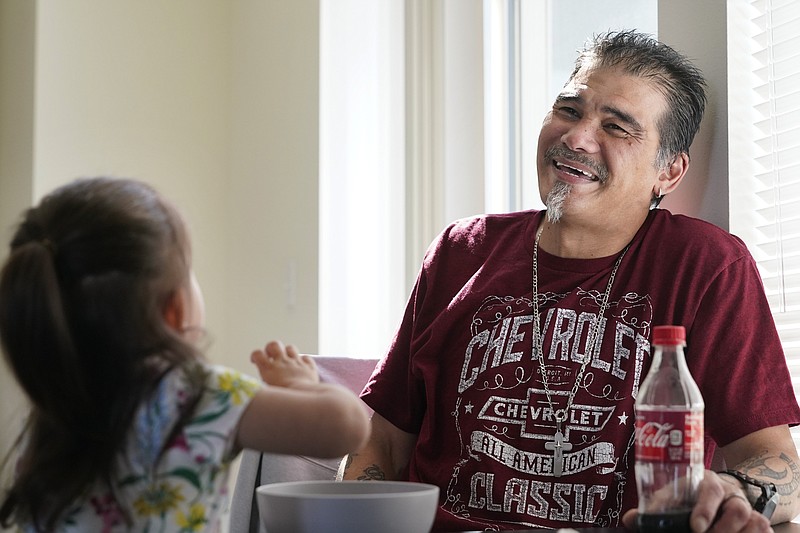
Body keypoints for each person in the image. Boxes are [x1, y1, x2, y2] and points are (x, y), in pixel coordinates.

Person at [340, 30, 800, 531]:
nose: (577, 138)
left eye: (617, 127)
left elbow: (778, 464)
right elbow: (381, 441)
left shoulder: (706, 266)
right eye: (570, 110)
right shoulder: (460, 251)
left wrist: (735, 492)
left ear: (668, 172)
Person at [0, 177, 370, 532]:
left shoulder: (52, 413)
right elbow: (347, 428)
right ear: (173, 310)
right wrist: (301, 383)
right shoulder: (197, 396)